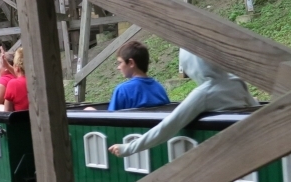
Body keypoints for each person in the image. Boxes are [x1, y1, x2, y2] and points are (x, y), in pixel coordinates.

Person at [110, 50, 258, 157]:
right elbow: (255, 108)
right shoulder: (236, 81)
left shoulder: (204, 93)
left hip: (227, 152)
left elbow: (169, 125)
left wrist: (128, 148)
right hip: (250, 142)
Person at [107, 41, 170, 111]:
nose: (118, 67)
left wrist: (94, 113)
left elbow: (109, 120)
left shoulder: (122, 91)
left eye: (120, 62)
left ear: (131, 63)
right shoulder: (159, 88)